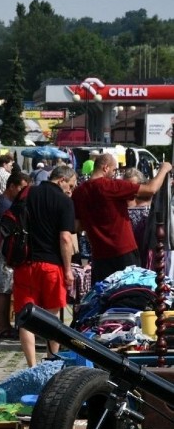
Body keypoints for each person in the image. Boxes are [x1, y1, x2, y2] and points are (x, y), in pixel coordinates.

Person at [72, 153, 172, 284]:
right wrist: (164, 169)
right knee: (130, 293)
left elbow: (77, 226)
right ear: (105, 168)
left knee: (103, 295)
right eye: (113, 170)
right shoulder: (111, 185)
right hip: (123, 250)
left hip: (99, 254)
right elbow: (151, 189)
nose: (114, 174)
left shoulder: (78, 192)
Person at [13, 166, 77, 367]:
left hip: (25, 263)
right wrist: (68, 269)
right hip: (52, 266)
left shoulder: (27, 194)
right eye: (71, 186)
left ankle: (31, 365)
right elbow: (65, 238)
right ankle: (50, 362)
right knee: (52, 318)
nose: (71, 191)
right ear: (61, 180)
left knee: (26, 316)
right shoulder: (64, 202)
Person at [0, 171, 31, 339]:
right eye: (21, 187)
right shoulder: (4, 204)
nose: (23, 191)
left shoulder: (9, 202)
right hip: (2, 253)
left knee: (6, 289)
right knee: (3, 289)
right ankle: (2, 327)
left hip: (4, 252)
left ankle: (6, 326)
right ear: (12, 186)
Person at [123, 168, 152, 267]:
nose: (131, 190)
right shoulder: (120, 207)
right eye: (127, 187)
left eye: (134, 186)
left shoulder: (148, 208)